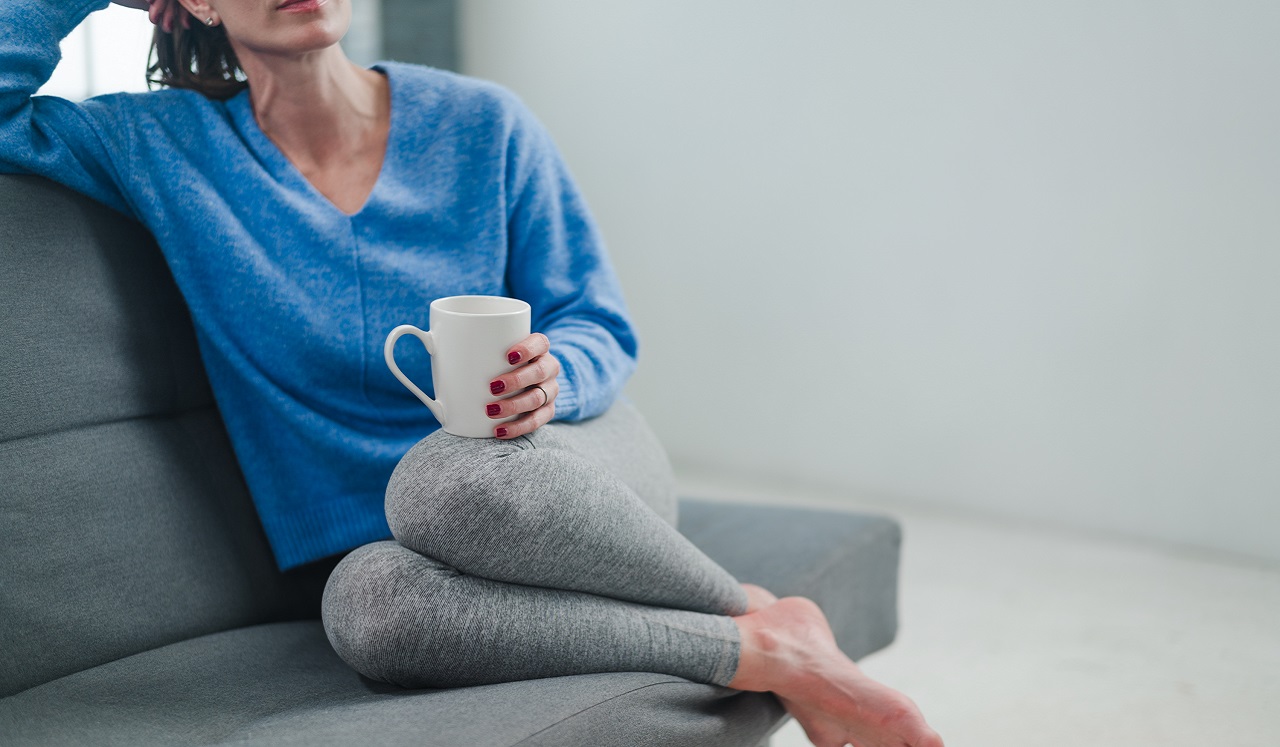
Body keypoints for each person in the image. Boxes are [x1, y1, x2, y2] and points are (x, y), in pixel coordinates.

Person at [0, 0, 944, 744]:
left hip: (560, 471)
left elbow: (598, 324)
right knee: (364, 606)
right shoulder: (162, 147)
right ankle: (759, 637)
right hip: (395, 547)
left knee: (447, 473)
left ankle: (750, 611)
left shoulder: (483, 123)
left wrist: (554, 378)